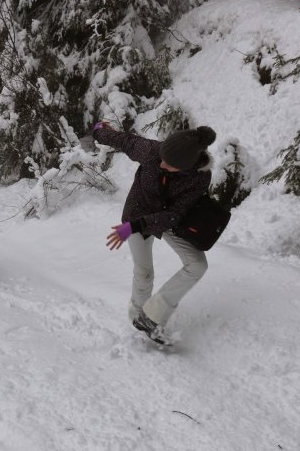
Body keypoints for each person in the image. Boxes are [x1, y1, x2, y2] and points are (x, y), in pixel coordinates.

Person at [92, 121, 216, 344]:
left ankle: (152, 316)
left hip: (169, 221)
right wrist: (100, 129)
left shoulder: (199, 177)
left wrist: (134, 227)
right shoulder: (151, 151)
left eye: (169, 165)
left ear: (187, 166)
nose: (162, 164)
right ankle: (138, 319)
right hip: (137, 213)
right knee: (144, 273)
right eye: (162, 159)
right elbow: (123, 140)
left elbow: (177, 213)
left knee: (198, 265)